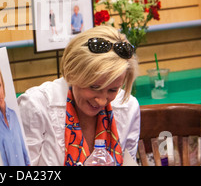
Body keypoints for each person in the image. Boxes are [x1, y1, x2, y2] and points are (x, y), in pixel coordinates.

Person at [18, 25, 140, 166]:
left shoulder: (128, 107)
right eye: (94, 87)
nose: (101, 101)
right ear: (72, 74)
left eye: (113, 90)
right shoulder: (36, 106)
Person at [0, 61, 30, 166]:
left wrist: (28, 163)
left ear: (3, 86)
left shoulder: (14, 115)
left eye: (0, 85)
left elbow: (22, 143)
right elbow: (3, 156)